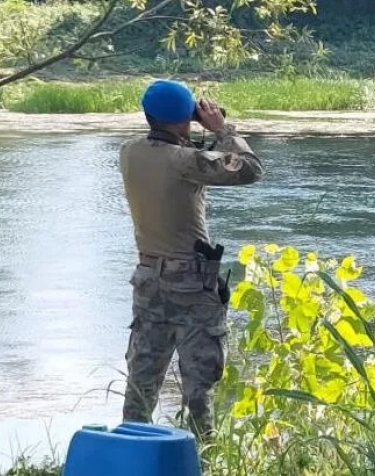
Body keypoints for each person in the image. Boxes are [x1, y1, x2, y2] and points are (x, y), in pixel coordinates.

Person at [119, 79, 264, 440]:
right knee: (200, 386)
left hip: (148, 280)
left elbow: (177, 152)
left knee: (142, 381)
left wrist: (191, 130)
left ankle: (132, 453)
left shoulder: (130, 152)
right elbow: (249, 169)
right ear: (187, 118)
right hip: (192, 286)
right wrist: (221, 128)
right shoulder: (186, 160)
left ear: (147, 114)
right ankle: (203, 455)